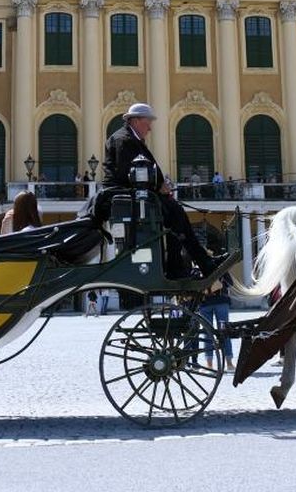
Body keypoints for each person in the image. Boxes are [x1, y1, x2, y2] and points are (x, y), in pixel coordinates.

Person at [95, 102, 218, 278]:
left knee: (177, 213)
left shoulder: (130, 139)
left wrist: (160, 185)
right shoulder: (125, 140)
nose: (150, 128)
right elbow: (127, 173)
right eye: (148, 122)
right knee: (175, 214)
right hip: (128, 196)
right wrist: (157, 186)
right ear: (136, 121)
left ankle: (203, 262)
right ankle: (181, 267)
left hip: (137, 195)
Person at [199, 274, 235, 371]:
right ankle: (229, 364)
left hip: (206, 303)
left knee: (207, 333)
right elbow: (230, 283)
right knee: (224, 332)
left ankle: (209, 365)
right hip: (221, 301)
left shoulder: (198, 270)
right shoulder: (221, 267)